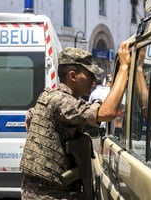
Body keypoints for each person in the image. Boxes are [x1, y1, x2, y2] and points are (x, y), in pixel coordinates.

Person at [20, 41, 131, 199]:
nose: (94, 81)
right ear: (72, 75)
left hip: (37, 190)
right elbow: (107, 113)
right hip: (49, 193)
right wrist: (124, 68)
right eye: (90, 75)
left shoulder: (49, 96)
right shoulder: (62, 102)